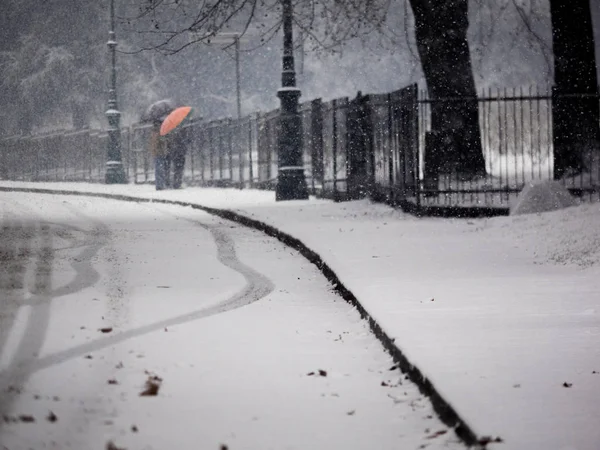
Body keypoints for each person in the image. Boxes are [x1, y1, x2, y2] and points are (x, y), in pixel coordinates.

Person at [149, 118, 170, 190]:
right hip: (160, 152)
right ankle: (160, 185)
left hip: (156, 152)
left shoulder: (153, 132)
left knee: (158, 169)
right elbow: (160, 142)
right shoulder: (159, 133)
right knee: (160, 169)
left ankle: (159, 184)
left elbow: (153, 143)